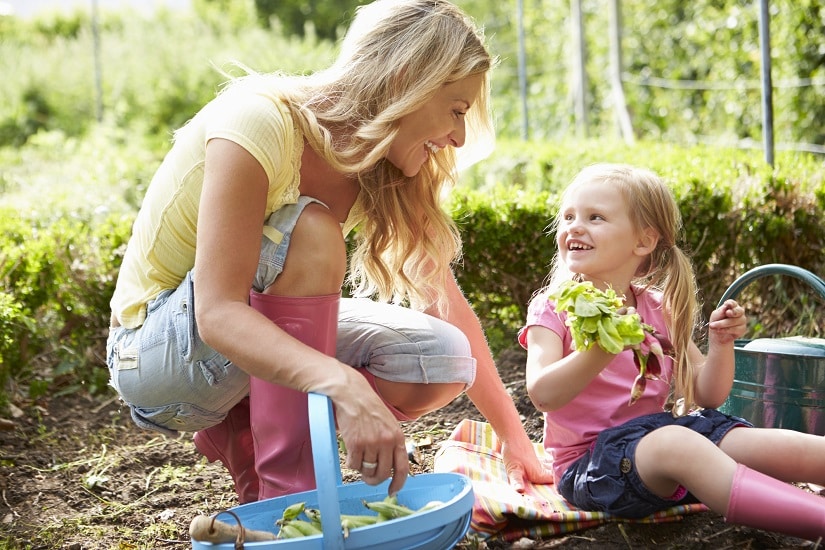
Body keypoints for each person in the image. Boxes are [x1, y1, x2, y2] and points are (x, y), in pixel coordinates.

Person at [106, 0, 553, 505]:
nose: (459, 136)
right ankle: (294, 499)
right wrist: (344, 383)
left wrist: (517, 443)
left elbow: (442, 298)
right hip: (156, 357)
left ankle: (246, 429)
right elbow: (217, 313)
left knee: (447, 358)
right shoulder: (260, 122)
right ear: (408, 77)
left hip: (227, 345)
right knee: (313, 233)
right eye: (456, 110)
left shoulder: (384, 164)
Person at [518, 163, 825, 540]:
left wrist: (721, 345)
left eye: (595, 217)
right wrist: (601, 349)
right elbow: (543, 393)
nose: (574, 226)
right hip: (592, 465)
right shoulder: (552, 308)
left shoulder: (657, 307)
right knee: (678, 442)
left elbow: (707, 394)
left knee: (747, 440)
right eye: (568, 216)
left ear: (643, 242)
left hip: (657, 443)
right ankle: (817, 518)